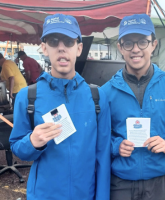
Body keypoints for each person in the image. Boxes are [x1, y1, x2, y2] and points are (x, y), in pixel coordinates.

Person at [9, 14, 111, 200]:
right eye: (54, 41)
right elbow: (16, 146)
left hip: (85, 195)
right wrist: (32, 141)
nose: (61, 48)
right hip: (43, 195)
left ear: (79, 48)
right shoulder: (27, 96)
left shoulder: (96, 97)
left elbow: (103, 155)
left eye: (68, 42)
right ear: (44, 47)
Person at [101, 14, 165, 200]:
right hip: (120, 184)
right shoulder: (106, 93)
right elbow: (98, 136)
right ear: (120, 47)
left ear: (154, 44)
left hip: (158, 184)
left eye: (142, 41)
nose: (136, 49)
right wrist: (116, 146)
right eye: (128, 43)